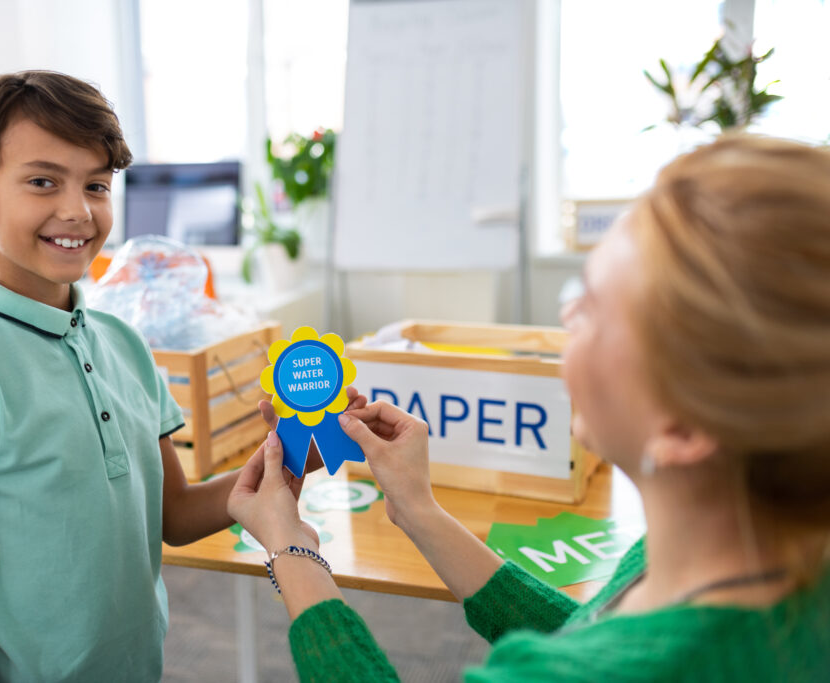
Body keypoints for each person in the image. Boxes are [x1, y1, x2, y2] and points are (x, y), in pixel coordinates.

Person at [229, 135, 830, 682]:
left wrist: (292, 552)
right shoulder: (754, 553)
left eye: (591, 309)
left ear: (683, 428)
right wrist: (419, 509)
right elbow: (589, 633)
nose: (565, 319)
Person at [0, 70, 284, 682]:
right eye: (42, 181)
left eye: (96, 185)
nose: (77, 211)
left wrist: (288, 455)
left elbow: (176, 516)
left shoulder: (125, 344)